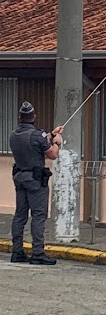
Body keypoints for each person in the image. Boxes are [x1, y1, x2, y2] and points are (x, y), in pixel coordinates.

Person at [10, 101, 63, 265]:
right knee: (38, 216)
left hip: (19, 178)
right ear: (34, 117)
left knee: (20, 215)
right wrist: (57, 141)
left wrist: (50, 135)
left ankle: (17, 252)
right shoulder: (37, 135)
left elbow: (35, 142)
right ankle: (38, 253)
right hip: (35, 180)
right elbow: (52, 154)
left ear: (20, 117)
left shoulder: (14, 135)